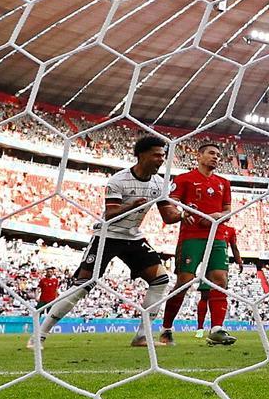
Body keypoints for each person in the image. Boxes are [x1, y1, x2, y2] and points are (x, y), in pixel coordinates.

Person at [29, 136, 179, 348]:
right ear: (141, 155)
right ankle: (39, 335)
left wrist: (184, 212)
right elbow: (110, 214)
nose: (161, 160)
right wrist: (133, 206)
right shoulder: (118, 180)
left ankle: (142, 336)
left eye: (163, 156)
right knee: (82, 285)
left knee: (161, 280)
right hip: (107, 236)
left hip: (133, 237)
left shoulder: (159, 184)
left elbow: (168, 217)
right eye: (156, 155)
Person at [159, 143, 236, 346]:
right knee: (184, 281)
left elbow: (228, 210)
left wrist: (218, 215)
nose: (216, 158)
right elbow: (170, 204)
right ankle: (166, 328)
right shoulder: (184, 179)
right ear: (199, 155)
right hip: (191, 236)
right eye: (211, 153)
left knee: (220, 280)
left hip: (217, 237)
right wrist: (181, 215)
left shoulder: (224, 183)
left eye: (218, 155)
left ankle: (217, 329)